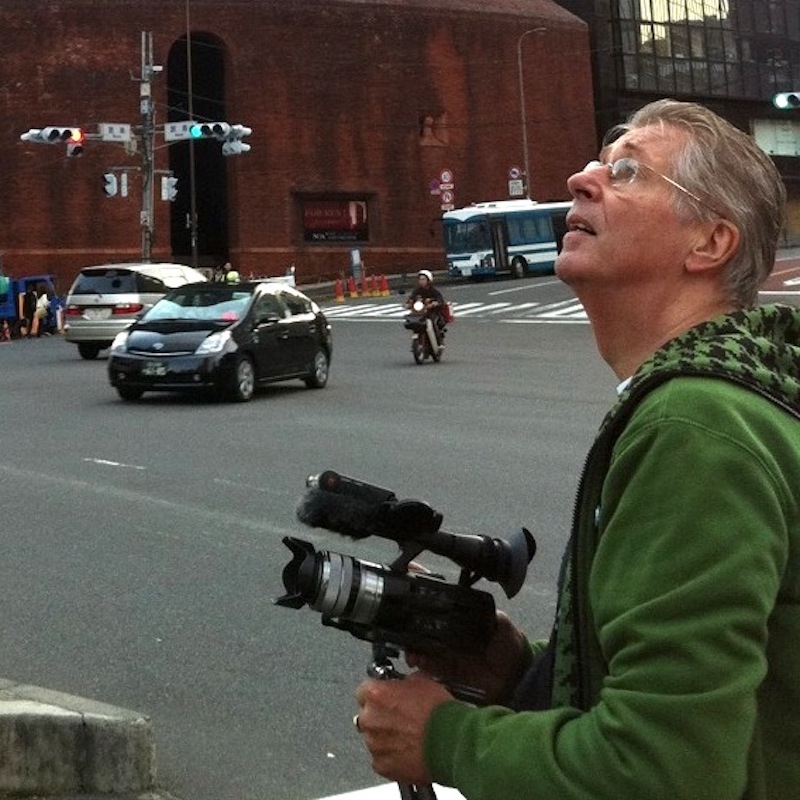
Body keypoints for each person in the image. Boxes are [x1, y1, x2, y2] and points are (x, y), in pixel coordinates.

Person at [354, 99, 800, 798]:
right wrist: (518, 672)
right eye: (599, 163)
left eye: (627, 172)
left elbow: (664, 772)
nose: (580, 179)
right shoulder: (732, 399)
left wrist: (444, 738)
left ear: (710, 243)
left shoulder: (694, 428)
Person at [406, 269, 448, 338]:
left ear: (428, 280)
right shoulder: (417, 290)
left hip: (431, 311)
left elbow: (440, 299)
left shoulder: (433, 290)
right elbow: (411, 298)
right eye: (420, 279)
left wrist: (435, 303)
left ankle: (438, 339)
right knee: (412, 320)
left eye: (423, 279)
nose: (421, 281)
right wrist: (408, 304)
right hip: (420, 312)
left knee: (434, 322)